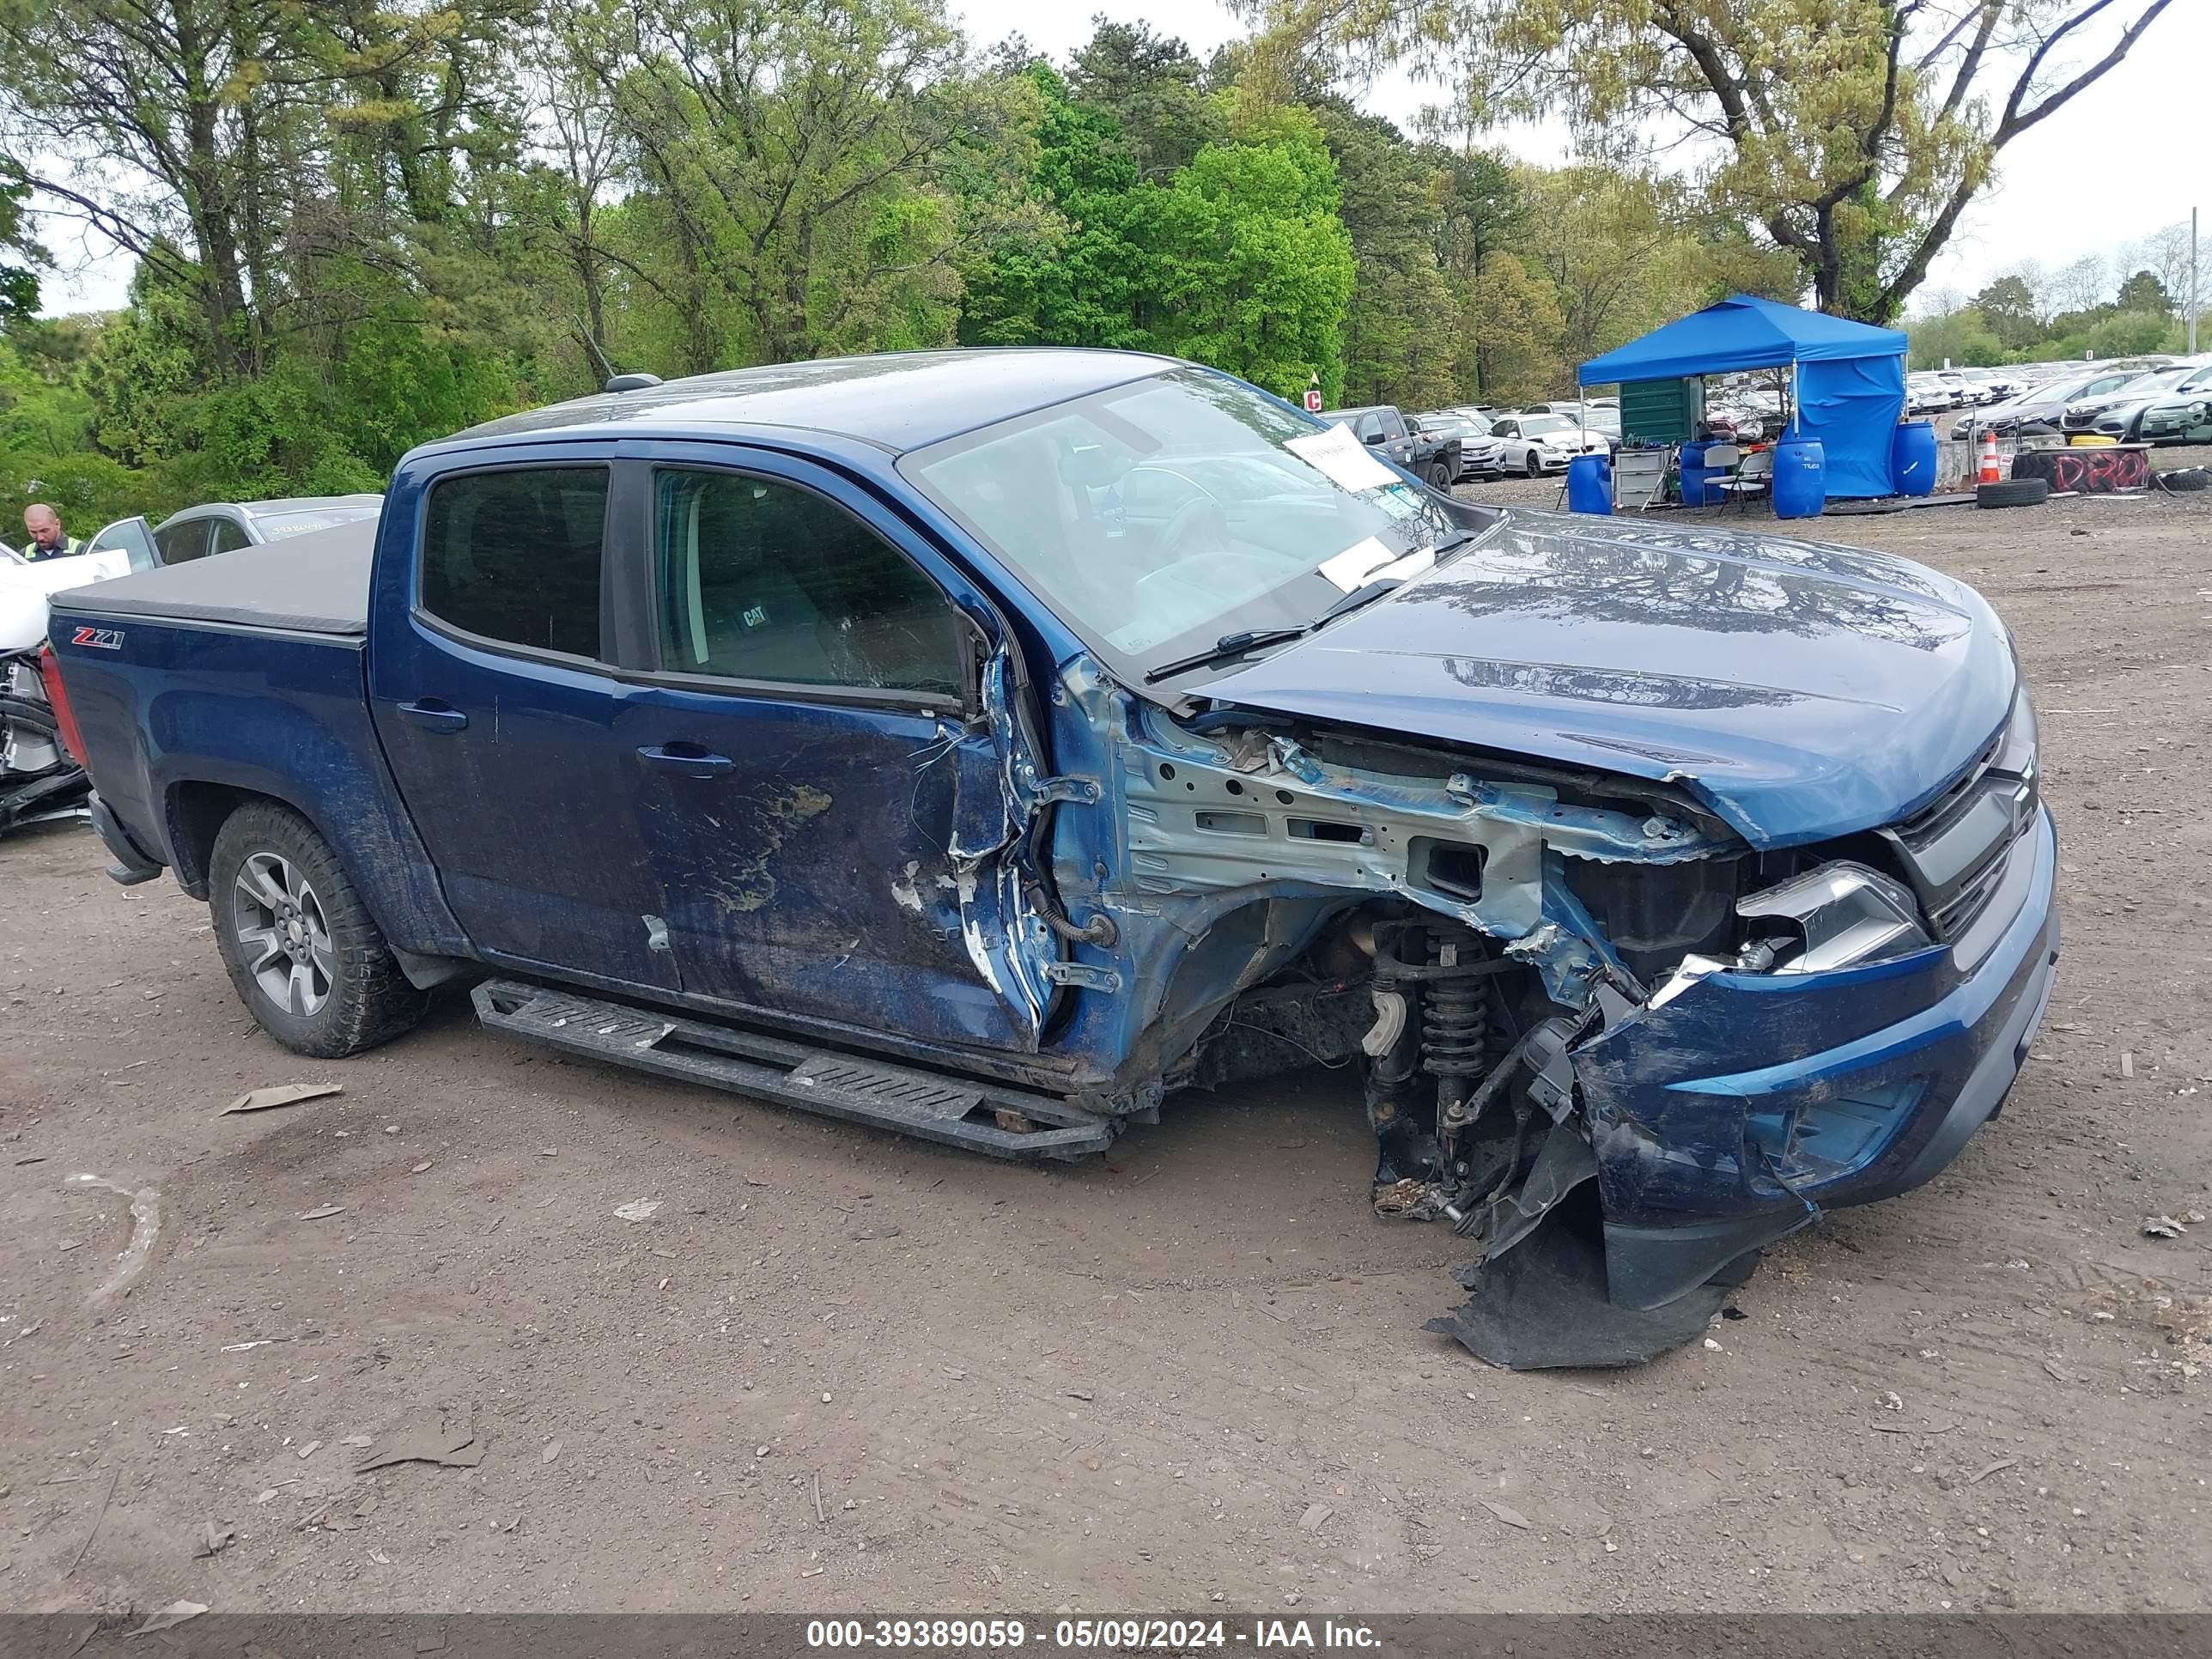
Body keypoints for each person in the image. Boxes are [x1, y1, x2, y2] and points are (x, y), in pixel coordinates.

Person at [21, 503, 88, 562]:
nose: (40, 538)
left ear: (57, 524)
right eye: (33, 532)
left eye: (44, 531)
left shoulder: (81, 551)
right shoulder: (23, 556)